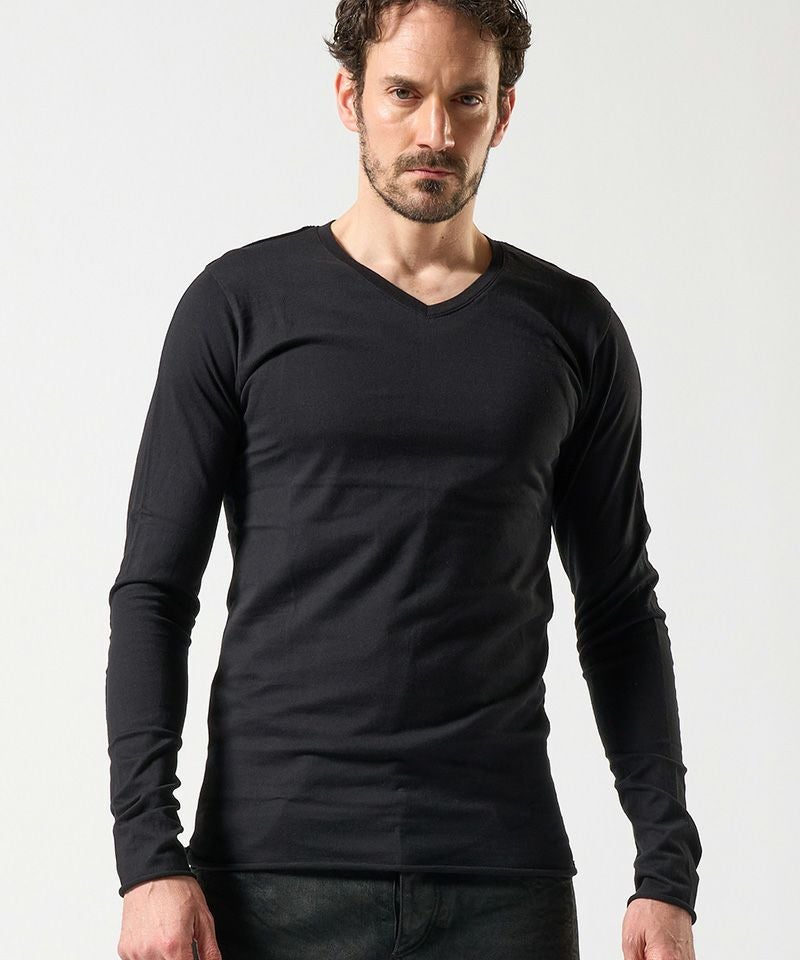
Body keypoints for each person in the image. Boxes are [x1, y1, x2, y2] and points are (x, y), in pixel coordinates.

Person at [106, 1, 702, 958]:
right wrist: (147, 860)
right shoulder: (239, 307)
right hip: (270, 882)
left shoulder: (574, 331)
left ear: (504, 112)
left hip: (501, 888)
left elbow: (621, 609)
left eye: (467, 98)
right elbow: (153, 593)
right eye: (404, 93)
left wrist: (665, 869)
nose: (437, 132)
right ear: (350, 97)